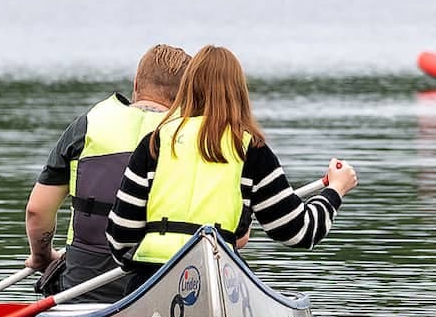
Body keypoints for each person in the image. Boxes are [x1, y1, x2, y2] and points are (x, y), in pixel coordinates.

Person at [105, 45, 356, 284]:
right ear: (239, 92)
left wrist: (135, 266)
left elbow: (119, 235)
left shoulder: (156, 142)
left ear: (188, 88)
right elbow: (300, 232)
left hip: (152, 275)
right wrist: (335, 190)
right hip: (219, 276)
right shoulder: (251, 150)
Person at [26, 43, 191, 301]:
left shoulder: (88, 125)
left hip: (85, 287)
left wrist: (43, 257)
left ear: (136, 83)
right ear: (187, 93)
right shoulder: (195, 136)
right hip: (168, 287)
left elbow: (37, 211)